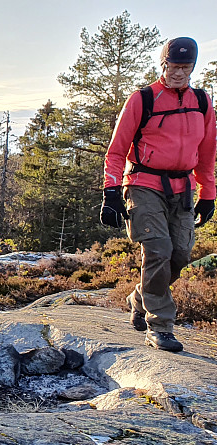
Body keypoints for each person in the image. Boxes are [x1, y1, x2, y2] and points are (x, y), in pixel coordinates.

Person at [101, 36, 216, 352]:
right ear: (163, 64)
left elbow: (206, 155)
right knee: (159, 251)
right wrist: (110, 194)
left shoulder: (203, 103)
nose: (178, 73)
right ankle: (160, 326)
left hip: (182, 190)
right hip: (143, 185)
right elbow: (115, 153)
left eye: (185, 67)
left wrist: (208, 194)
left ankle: (140, 297)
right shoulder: (143, 100)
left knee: (179, 255)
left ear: (192, 67)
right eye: (173, 66)